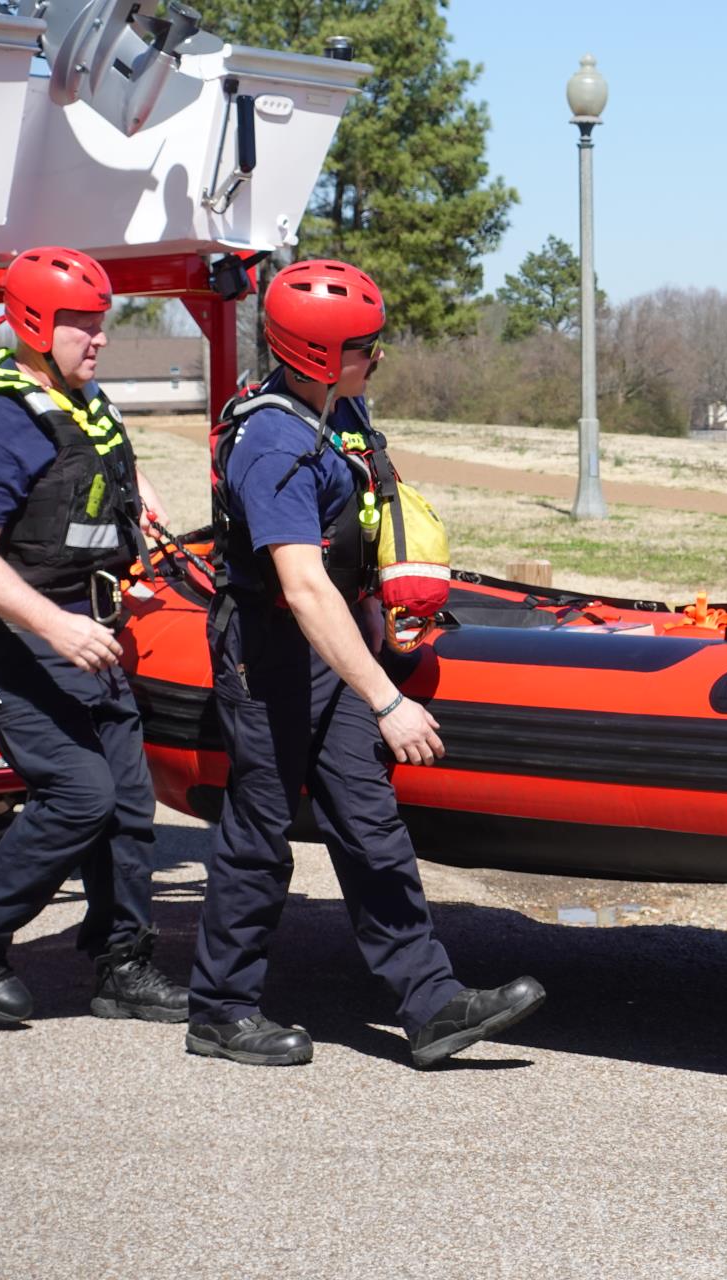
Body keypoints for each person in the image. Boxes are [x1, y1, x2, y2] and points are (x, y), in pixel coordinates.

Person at [188, 258, 544, 1067]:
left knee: (371, 821)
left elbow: (353, 545)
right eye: (364, 347)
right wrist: (387, 700)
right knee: (259, 834)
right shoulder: (272, 441)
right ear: (316, 354)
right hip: (272, 651)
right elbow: (303, 588)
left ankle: (432, 1005)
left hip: (334, 645)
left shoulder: (337, 413)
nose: (377, 357)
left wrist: (389, 612)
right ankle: (220, 1009)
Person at [0, 246, 187, 1025]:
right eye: (84, 324)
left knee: (130, 806)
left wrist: (150, 512)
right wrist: (55, 626)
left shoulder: (78, 398)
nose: (99, 338)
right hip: (17, 643)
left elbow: (109, 470)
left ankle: (122, 965)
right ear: (37, 323)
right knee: (81, 795)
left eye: (103, 323)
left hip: (89, 636)